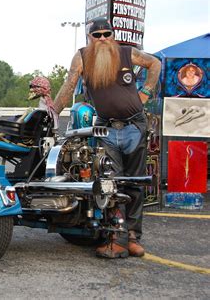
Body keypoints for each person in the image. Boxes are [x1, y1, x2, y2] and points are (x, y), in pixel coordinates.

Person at [52, 17, 161, 259]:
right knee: (111, 182)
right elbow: (69, 85)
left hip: (135, 124)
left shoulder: (127, 53)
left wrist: (145, 92)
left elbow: (154, 64)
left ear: (112, 35)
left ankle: (132, 237)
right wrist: (52, 113)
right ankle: (117, 238)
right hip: (106, 128)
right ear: (89, 37)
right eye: (97, 34)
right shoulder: (82, 57)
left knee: (134, 182)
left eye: (106, 33)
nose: (102, 38)